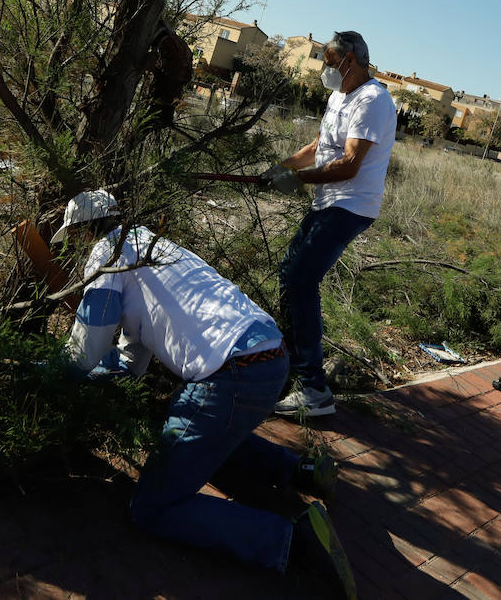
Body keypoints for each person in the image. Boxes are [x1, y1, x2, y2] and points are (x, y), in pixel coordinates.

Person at [52, 191, 356, 597]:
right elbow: (131, 361)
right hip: (270, 358)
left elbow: (84, 352)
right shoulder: (153, 246)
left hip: (230, 376)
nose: (73, 247)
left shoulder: (108, 256)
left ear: (83, 231)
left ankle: (294, 541)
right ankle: (299, 471)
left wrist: (48, 377)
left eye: (72, 238)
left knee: (151, 508)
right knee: (203, 436)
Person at [262, 31, 396, 418]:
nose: (325, 68)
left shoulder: (374, 100)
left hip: (352, 205)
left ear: (349, 60)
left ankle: (314, 390)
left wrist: (299, 180)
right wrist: (284, 167)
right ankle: (297, 369)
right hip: (329, 201)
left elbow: (351, 163)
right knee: (290, 273)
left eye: (328, 59)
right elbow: (320, 147)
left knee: (301, 278)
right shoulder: (339, 96)